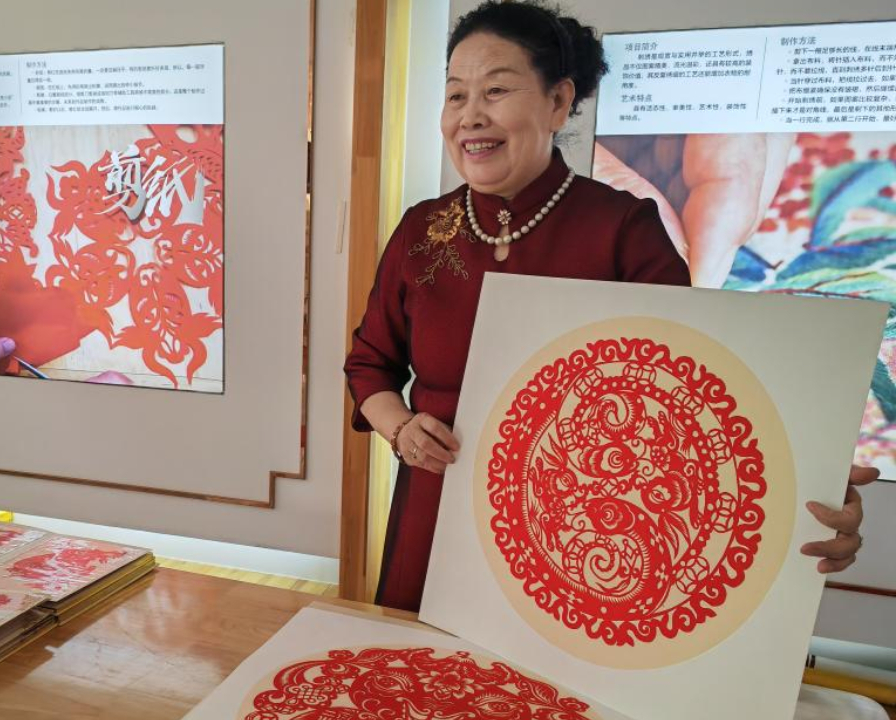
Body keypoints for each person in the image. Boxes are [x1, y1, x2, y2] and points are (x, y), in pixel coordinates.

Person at [344, 0, 872, 612]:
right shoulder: (421, 229)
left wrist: (813, 481)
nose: (470, 116)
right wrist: (403, 429)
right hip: (432, 514)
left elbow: (698, 393)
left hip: (581, 533)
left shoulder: (623, 228)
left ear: (559, 101)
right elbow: (369, 365)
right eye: (456, 95)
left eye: (495, 90)